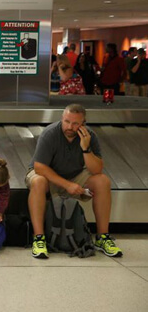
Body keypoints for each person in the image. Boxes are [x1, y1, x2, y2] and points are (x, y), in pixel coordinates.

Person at [25, 104, 123, 259]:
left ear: (83, 123)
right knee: (38, 182)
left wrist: (85, 148)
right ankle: (39, 238)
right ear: (62, 119)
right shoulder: (50, 133)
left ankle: (102, 237)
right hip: (47, 174)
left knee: (102, 181)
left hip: (75, 175)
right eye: (66, 121)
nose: (69, 127)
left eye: (75, 123)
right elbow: (39, 167)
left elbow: (97, 170)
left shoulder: (89, 136)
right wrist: (67, 185)